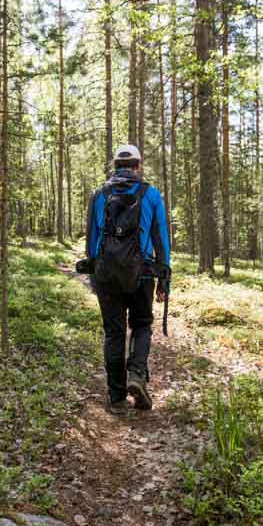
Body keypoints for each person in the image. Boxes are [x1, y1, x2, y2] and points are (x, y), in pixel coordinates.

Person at [84, 144, 171, 415]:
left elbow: (91, 241)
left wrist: (94, 274)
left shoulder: (99, 195)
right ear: (138, 165)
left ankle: (117, 399)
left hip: (107, 274)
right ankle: (136, 372)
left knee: (114, 333)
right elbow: (161, 238)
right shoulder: (151, 194)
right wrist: (163, 275)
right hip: (142, 273)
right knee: (142, 324)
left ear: (115, 166)